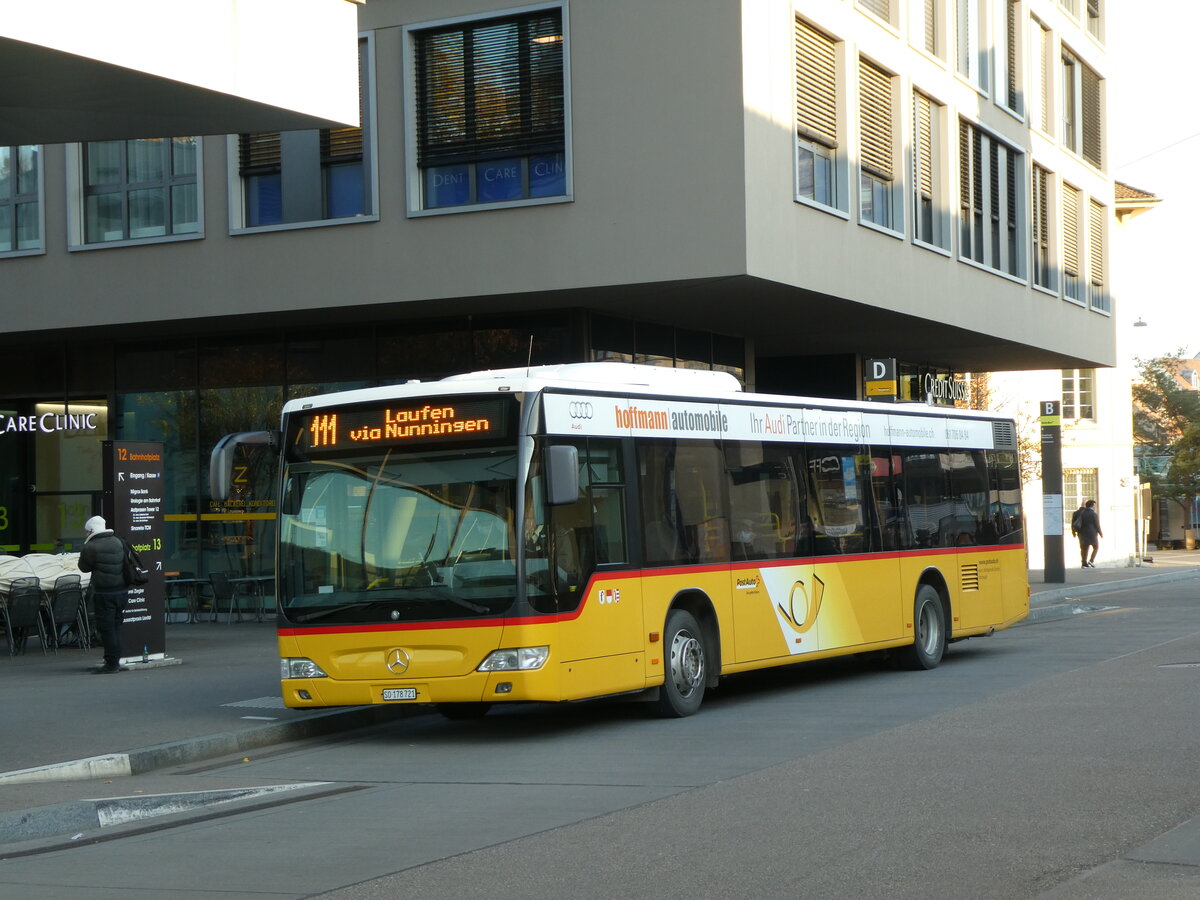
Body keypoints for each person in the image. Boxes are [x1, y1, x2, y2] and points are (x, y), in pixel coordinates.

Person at [77, 515, 130, 673]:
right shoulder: (118, 541)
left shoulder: (91, 547)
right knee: (116, 626)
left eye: (87, 532)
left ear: (91, 531)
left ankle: (111, 664)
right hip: (121, 592)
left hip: (104, 593)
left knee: (106, 629)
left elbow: (84, 568)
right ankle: (116, 661)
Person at [1071, 499, 1103, 568]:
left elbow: (1074, 523)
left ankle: (1084, 563)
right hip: (1092, 533)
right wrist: (1101, 533)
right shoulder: (1093, 514)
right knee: (1096, 547)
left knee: (1084, 548)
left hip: (1082, 533)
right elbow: (1097, 525)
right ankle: (1091, 561)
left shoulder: (1081, 513)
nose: (1095, 507)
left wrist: (1073, 532)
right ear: (1092, 506)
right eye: (1094, 505)